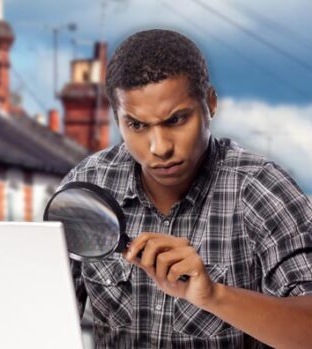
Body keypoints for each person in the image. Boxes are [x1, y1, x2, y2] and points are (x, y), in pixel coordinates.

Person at [60, 29, 312, 348]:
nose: (160, 147)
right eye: (137, 125)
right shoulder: (90, 185)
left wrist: (213, 295)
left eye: (176, 120)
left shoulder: (261, 189)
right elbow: (40, 313)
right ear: (117, 119)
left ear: (210, 103)